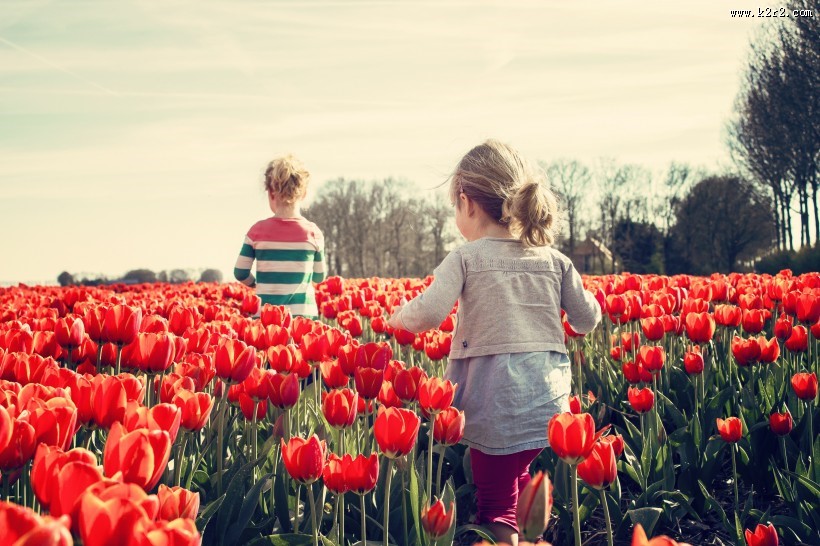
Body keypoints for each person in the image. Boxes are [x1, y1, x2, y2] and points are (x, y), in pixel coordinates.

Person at [388, 140, 601, 546]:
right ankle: (529, 536)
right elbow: (587, 319)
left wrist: (397, 317)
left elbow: (429, 313)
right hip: (547, 404)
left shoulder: (467, 258)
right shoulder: (554, 260)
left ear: (467, 203)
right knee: (519, 478)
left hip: (495, 403)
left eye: (455, 207)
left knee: (496, 503)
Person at [234, 154, 326, 318]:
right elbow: (319, 276)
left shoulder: (257, 231)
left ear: (271, 193)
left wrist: (256, 284)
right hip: (302, 316)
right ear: (304, 193)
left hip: (266, 317)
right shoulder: (313, 233)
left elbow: (240, 272)